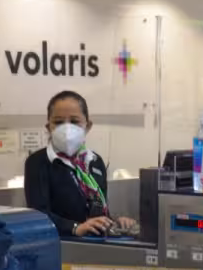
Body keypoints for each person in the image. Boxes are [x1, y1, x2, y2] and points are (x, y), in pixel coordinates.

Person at [25, 90, 135, 237]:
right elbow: (38, 214)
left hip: (96, 245)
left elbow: (97, 210)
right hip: (61, 246)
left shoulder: (95, 162)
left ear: (88, 126)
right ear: (48, 127)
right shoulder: (38, 162)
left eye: (74, 121)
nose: (67, 129)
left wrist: (114, 222)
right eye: (58, 122)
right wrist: (75, 227)